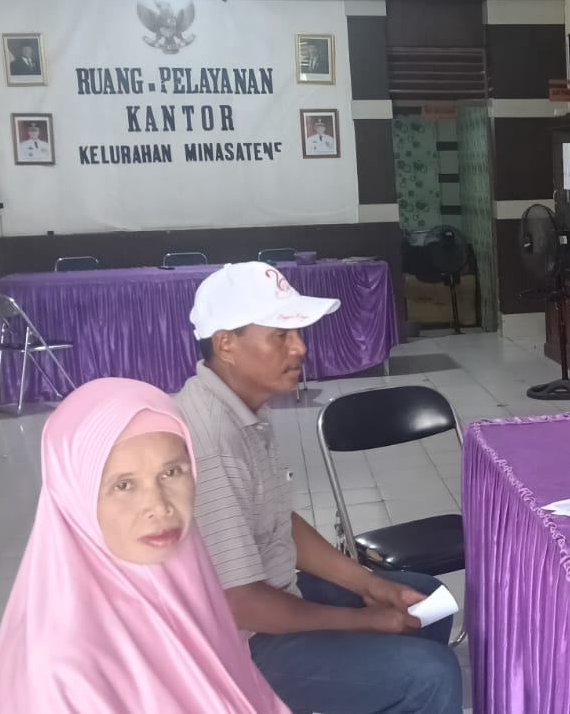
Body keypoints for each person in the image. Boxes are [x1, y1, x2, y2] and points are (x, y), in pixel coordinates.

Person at [177, 262, 462, 714]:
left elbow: (279, 521)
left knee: (422, 599)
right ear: (226, 343)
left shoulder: (242, 408)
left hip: (274, 595)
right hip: (234, 645)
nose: (300, 347)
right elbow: (241, 603)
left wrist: (371, 585)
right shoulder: (212, 439)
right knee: (431, 674)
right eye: (280, 336)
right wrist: (363, 621)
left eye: (297, 333)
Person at [0, 378, 288, 713]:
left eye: (171, 472)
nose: (159, 506)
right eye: (124, 485)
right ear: (74, 495)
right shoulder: (61, 675)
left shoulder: (186, 590)